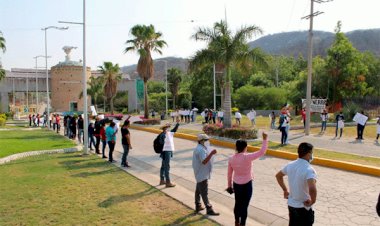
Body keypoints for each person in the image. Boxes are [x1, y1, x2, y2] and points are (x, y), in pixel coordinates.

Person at [227, 132, 268, 226]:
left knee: (237, 204)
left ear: (236, 147)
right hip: (247, 185)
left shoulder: (231, 158)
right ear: (245, 147)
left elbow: (229, 174)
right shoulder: (247, 157)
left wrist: (229, 186)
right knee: (244, 206)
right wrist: (265, 139)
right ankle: (242, 224)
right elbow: (262, 152)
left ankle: (237, 222)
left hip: (236, 184)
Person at [275, 142, 317, 226]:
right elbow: (312, 188)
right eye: (312, 152)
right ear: (309, 154)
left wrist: (285, 190)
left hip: (291, 206)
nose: (312, 155)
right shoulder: (309, 169)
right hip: (303, 207)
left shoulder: (290, 165)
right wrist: (313, 201)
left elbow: (278, 176)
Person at [192, 134, 219, 215]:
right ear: (202, 141)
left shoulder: (201, 148)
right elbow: (204, 161)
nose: (207, 142)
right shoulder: (200, 150)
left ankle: (198, 205)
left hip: (200, 173)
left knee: (198, 190)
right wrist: (211, 154)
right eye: (206, 140)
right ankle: (209, 208)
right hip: (202, 174)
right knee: (204, 191)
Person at [158, 119, 180, 187]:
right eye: (168, 127)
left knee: (163, 166)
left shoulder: (167, 133)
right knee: (167, 167)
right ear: (166, 128)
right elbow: (162, 144)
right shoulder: (164, 135)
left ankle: (162, 180)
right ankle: (168, 182)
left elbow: (174, 130)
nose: (169, 128)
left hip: (165, 152)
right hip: (166, 152)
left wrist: (177, 124)